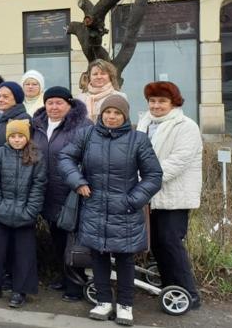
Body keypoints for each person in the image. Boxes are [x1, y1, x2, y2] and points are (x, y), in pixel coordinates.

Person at [59, 95, 162, 326]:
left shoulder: (138, 139)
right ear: (101, 114)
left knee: (125, 259)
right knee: (98, 257)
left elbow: (154, 176)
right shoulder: (87, 134)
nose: (111, 117)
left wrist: (133, 200)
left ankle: (126, 305)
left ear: (124, 116)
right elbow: (65, 157)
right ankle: (103, 301)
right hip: (93, 207)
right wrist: (78, 181)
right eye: (107, 112)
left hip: (124, 210)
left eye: (117, 113)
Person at [137, 81, 202, 309]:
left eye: (162, 101)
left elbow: (178, 162)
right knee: (157, 243)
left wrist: (144, 179)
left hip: (174, 196)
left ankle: (189, 294)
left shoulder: (185, 126)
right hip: (151, 196)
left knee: (171, 242)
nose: (156, 105)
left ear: (173, 102)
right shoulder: (145, 122)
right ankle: (169, 286)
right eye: (152, 101)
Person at [30, 86, 91, 302]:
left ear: (69, 104)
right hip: (47, 192)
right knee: (56, 237)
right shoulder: (37, 126)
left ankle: (75, 284)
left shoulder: (82, 126)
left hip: (70, 193)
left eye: (59, 103)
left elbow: (88, 159)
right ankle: (64, 277)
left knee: (72, 240)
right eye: (50, 103)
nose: (54, 107)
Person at [0, 120, 46, 308]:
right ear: (7, 137)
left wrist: (30, 211)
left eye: (20, 136)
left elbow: (39, 186)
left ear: (27, 137)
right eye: (13, 136)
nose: (17, 140)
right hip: (2, 213)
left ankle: (20, 290)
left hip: (25, 215)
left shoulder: (36, 156)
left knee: (23, 254)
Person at [0, 82, 31, 154]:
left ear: (16, 98)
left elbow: (22, 149)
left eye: (5, 96)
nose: (0, 100)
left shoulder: (22, 118)